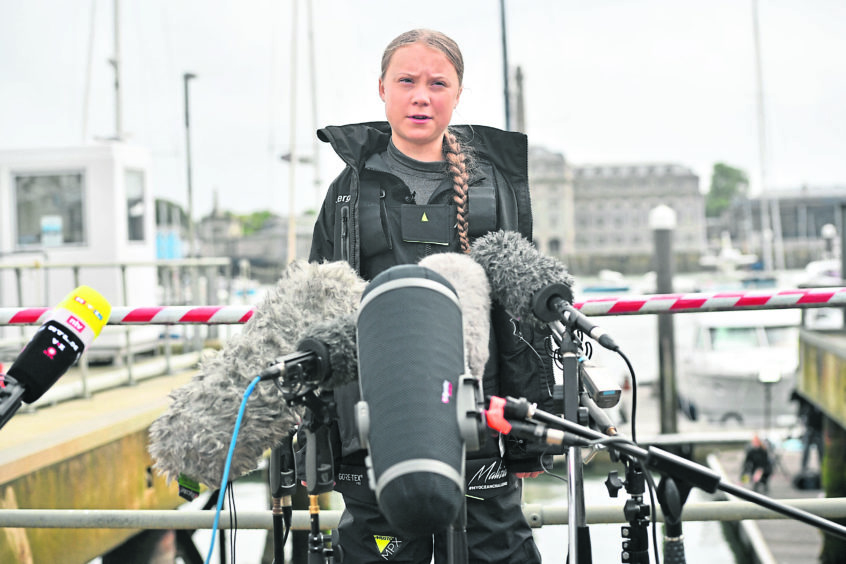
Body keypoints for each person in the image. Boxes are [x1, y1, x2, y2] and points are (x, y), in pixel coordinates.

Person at [308, 29, 552, 564]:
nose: (422, 95)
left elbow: (521, 314)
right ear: (382, 89)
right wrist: (326, 434)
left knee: (499, 549)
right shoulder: (347, 192)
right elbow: (323, 309)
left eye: (437, 83)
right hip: (379, 412)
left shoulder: (494, 187)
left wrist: (529, 431)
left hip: (479, 414)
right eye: (407, 81)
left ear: (458, 94)